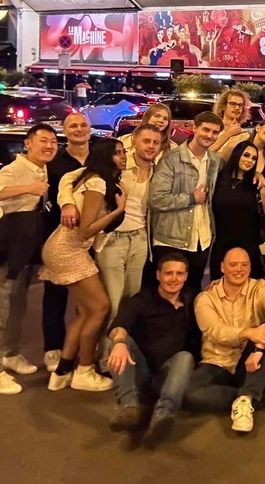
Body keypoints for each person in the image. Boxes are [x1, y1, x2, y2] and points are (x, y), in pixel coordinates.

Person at [41, 138, 128, 393]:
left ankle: (63, 371)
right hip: (68, 249)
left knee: (86, 311)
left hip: (64, 247)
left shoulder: (94, 178)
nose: (123, 157)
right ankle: (85, 370)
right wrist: (118, 210)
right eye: (118, 153)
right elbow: (85, 230)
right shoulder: (97, 182)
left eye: (124, 152)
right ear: (105, 157)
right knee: (101, 307)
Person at [0, 124, 57, 394]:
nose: (48, 146)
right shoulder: (14, 169)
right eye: (43, 141)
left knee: (17, 307)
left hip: (21, 251)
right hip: (1, 249)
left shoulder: (42, 168)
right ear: (28, 144)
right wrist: (26, 189)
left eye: (52, 142)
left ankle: (10, 354)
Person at [65, 124, 160, 330]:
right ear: (134, 142)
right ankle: (106, 356)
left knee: (132, 300)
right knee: (112, 303)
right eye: (146, 141)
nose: (151, 146)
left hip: (140, 239)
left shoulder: (158, 171)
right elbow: (72, 179)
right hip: (112, 239)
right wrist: (67, 204)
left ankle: (123, 349)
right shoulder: (118, 166)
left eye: (156, 142)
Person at [185, 248, 265, 434]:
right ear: (222, 267)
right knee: (189, 395)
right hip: (217, 361)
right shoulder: (205, 298)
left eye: (244, 265)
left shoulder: (260, 288)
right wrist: (247, 332)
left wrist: (259, 345)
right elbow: (215, 330)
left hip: (251, 359)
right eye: (233, 265)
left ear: (250, 267)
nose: (239, 269)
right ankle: (256, 395)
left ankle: (246, 399)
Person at [104, 251, 201, 447]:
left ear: (186, 276)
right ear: (158, 275)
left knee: (185, 356)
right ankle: (129, 407)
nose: (174, 279)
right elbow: (118, 325)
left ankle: (163, 416)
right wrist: (120, 343)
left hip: (171, 374)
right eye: (168, 273)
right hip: (141, 370)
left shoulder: (193, 299)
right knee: (123, 342)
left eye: (179, 274)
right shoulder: (143, 299)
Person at [148, 112, 223, 293]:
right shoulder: (171, 159)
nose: (209, 135)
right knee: (167, 291)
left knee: (192, 291)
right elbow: (157, 199)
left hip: (202, 239)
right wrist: (191, 198)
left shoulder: (216, 162)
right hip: (171, 239)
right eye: (205, 129)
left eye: (214, 132)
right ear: (194, 128)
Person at [42, 112, 92, 372]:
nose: (79, 129)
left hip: (92, 238)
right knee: (55, 294)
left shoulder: (100, 157)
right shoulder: (54, 162)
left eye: (83, 125)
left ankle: (81, 349)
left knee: (86, 300)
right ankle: (53, 349)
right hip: (60, 237)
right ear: (65, 131)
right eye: (73, 125)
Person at [210, 141, 263, 279]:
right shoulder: (218, 178)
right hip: (221, 243)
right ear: (237, 154)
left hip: (248, 244)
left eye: (254, 158)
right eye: (246, 155)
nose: (250, 161)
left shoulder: (255, 183)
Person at [209, 88, 253, 160]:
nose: (237, 108)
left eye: (240, 105)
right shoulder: (212, 128)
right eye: (233, 104)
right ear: (223, 106)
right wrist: (229, 133)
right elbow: (205, 154)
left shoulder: (244, 135)